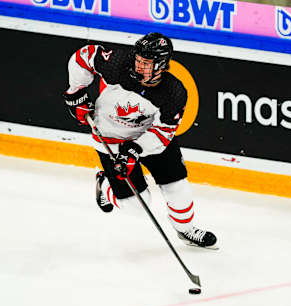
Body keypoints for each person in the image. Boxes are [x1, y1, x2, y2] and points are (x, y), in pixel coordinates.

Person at [63, 32, 217, 248]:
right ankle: (106, 184)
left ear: (161, 65)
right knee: (137, 206)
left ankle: (186, 230)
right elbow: (83, 57)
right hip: (111, 138)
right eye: (138, 60)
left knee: (177, 187)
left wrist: (135, 150)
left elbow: (164, 132)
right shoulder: (118, 63)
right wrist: (75, 92)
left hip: (149, 137)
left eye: (145, 63)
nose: (138, 66)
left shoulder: (173, 92)